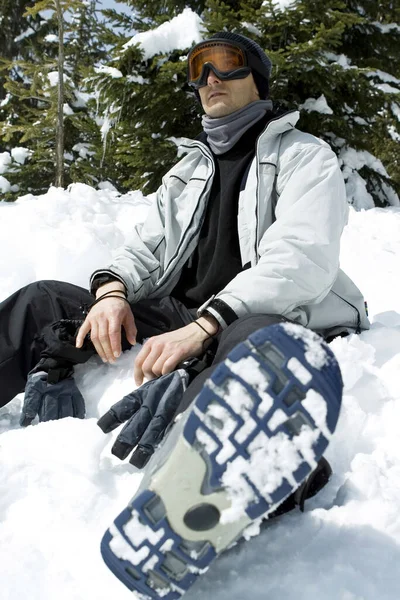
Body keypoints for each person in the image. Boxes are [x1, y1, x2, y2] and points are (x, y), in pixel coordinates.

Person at [0, 32, 369, 598]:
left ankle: (195, 499)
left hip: (265, 310)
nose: (209, 79)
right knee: (42, 300)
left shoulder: (303, 157)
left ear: (258, 78)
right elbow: (146, 249)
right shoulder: (188, 169)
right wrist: (111, 292)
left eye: (224, 64)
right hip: (184, 310)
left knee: (258, 354)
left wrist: (204, 328)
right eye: (198, 69)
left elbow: (300, 257)